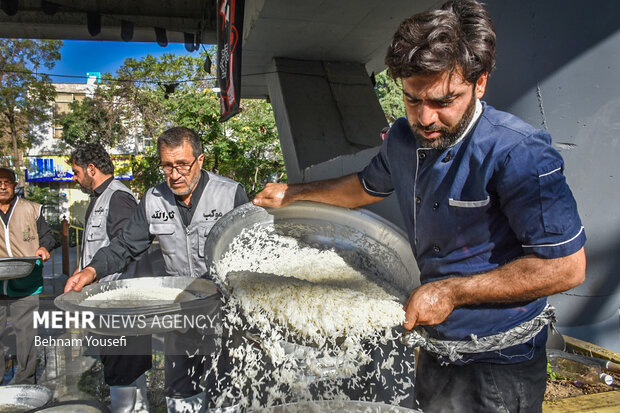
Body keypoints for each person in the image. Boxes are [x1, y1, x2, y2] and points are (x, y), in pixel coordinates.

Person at [253, 1, 586, 411]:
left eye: (444, 101)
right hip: (434, 346)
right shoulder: (401, 138)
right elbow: (363, 187)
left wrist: (451, 291)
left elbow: (566, 267)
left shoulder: (518, 153)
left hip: (499, 362)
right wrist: (296, 194)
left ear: (479, 83)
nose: (425, 118)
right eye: (413, 100)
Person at [65, 127, 248, 412]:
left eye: (182, 165)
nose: (175, 175)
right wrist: (91, 270)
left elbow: (249, 254)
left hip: (225, 318)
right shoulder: (153, 199)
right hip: (180, 318)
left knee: (228, 396)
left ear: (200, 160)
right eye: (167, 166)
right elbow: (126, 244)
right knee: (180, 395)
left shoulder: (230, 194)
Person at [69, 143, 150, 412]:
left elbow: (127, 250)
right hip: (106, 303)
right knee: (125, 374)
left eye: (76, 171)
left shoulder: (118, 198)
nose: (74, 178)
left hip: (119, 306)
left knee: (122, 372)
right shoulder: (100, 198)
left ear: (91, 169)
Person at [0, 167, 56, 384]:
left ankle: (25, 379)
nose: (2, 186)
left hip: (27, 281)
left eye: (7, 182)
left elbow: (48, 237)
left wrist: (44, 248)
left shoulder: (32, 209)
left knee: (26, 336)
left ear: (15, 185)